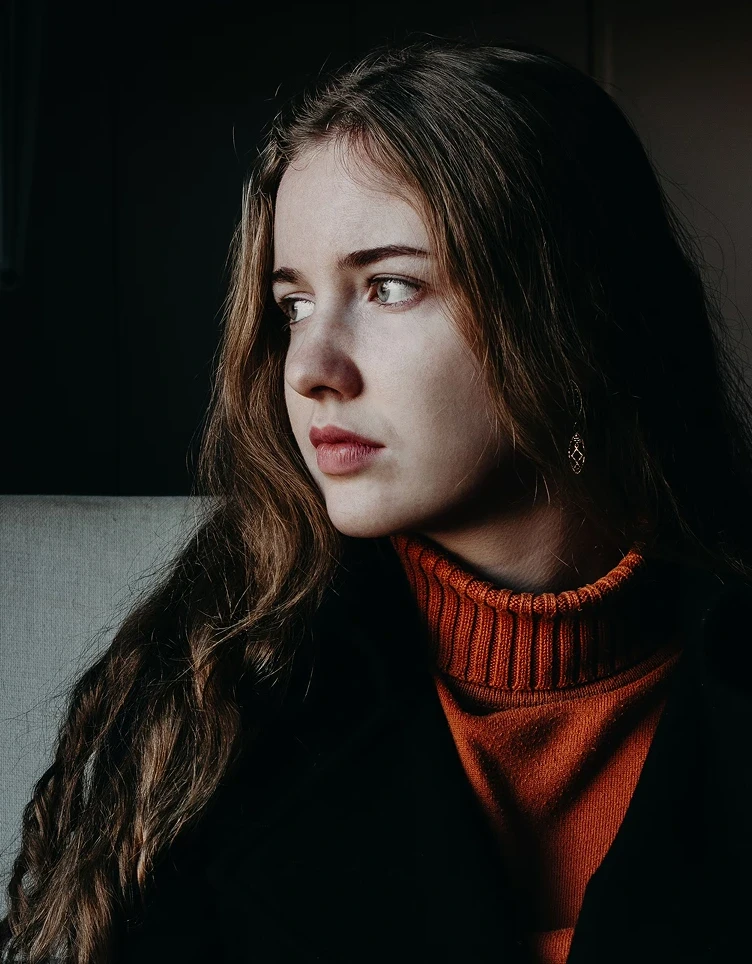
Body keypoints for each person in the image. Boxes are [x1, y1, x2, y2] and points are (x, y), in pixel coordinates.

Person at [3, 35, 752, 964]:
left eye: (389, 287)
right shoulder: (210, 699)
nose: (311, 371)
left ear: (570, 312)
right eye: (293, 306)